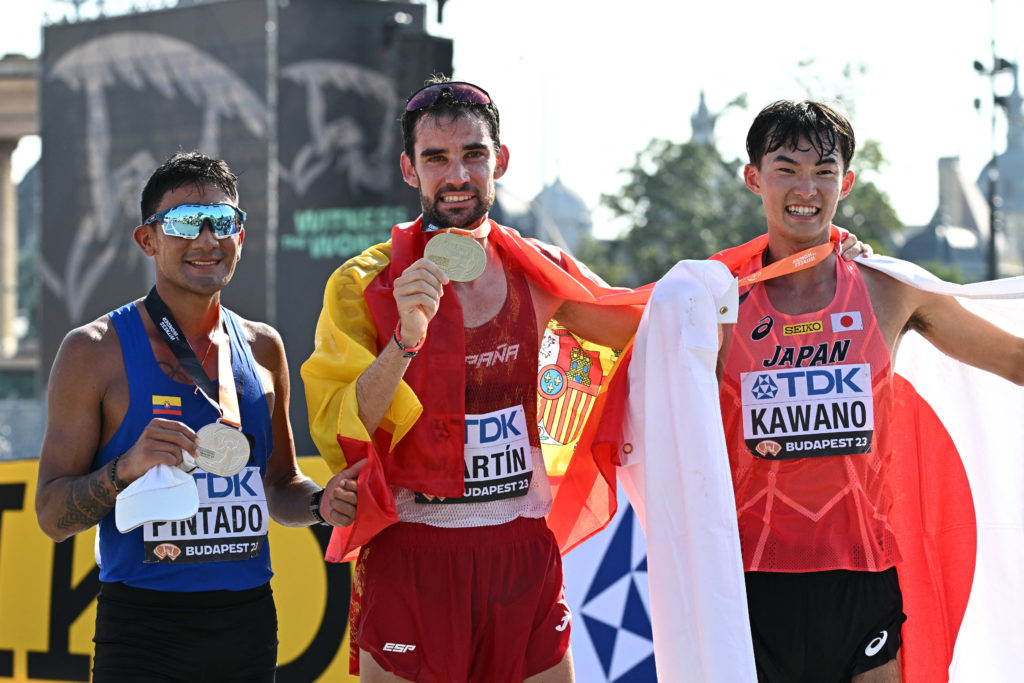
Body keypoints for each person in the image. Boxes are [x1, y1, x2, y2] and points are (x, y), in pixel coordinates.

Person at [625, 100, 1024, 683]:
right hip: (751, 583)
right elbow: (641, 383)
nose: (805, 189)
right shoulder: (714, 303)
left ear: (847, 182)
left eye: (823, 171)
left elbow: (1014, 358)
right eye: (786, 169)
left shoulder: (889, 290)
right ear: (754, 178)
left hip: (863, 579)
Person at [301, 77, 649, 683]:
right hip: (413, 550)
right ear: (410, 169)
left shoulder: (538, 270)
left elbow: (648, 329)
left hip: (520, 548)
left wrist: (768, 275)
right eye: (436, 158)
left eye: (473, 154)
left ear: (500, 162)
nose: (457, 175)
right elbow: (342, 428)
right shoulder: (364, 282)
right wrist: (406, 339)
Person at [35, 151, 361, 682]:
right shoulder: (93, 350)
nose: (207, 240)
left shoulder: (263, 347)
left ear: (241, 237)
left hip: (248, 624)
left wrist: (321, 503)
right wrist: (125, 468)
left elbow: (278, 485)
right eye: (185, 222)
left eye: (223, 222)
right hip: (143, 630)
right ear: (148, 240)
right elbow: (52, 516)